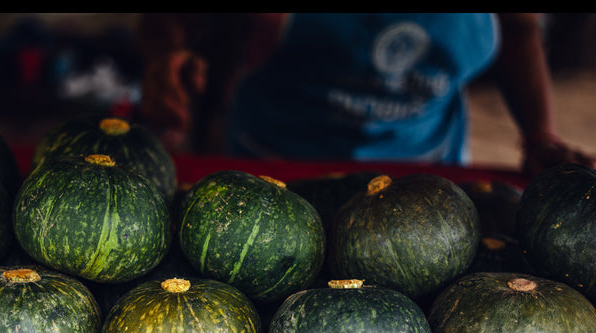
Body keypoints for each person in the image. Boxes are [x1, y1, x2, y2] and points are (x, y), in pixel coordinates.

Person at [136, 13, 594, 176]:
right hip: (277, 163)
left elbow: (517, 29)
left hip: (428, 168)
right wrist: (168, 58)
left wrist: (539, 136)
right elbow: (171, 20)